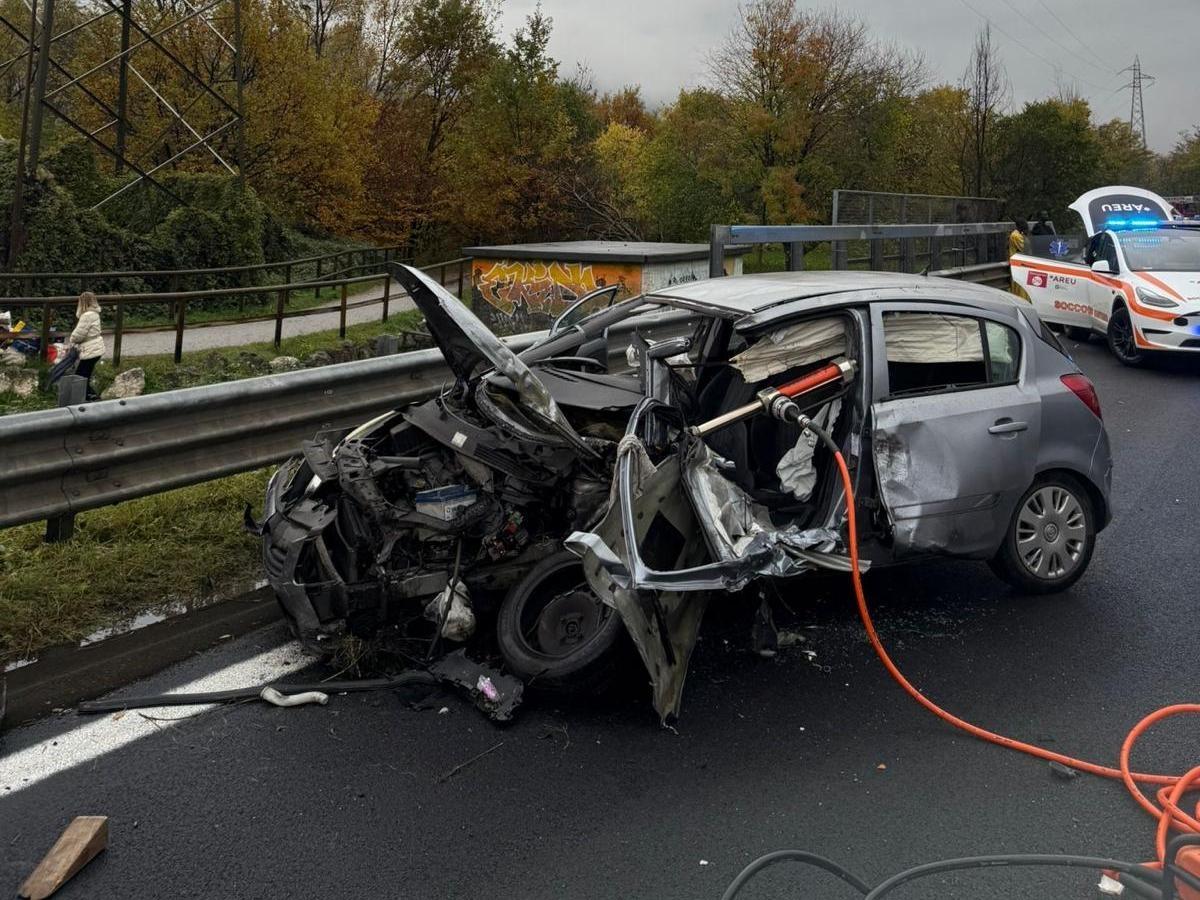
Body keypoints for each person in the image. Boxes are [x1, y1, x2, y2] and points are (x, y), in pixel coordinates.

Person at [68, 291, 106, 400]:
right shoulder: (95, 314)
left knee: (81, 375)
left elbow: (79, 334)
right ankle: (89, 395)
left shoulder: (86, 316)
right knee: (86, 373)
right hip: (96, 348)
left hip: (90, 349)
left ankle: (89, 396)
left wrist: (72, 339)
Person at [1008, 219, 1029, 299]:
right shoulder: (1015, 235)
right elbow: (1025, 247)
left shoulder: (1019, 234)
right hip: (1017, 264)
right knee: (1020, 287)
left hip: (1022, 264)